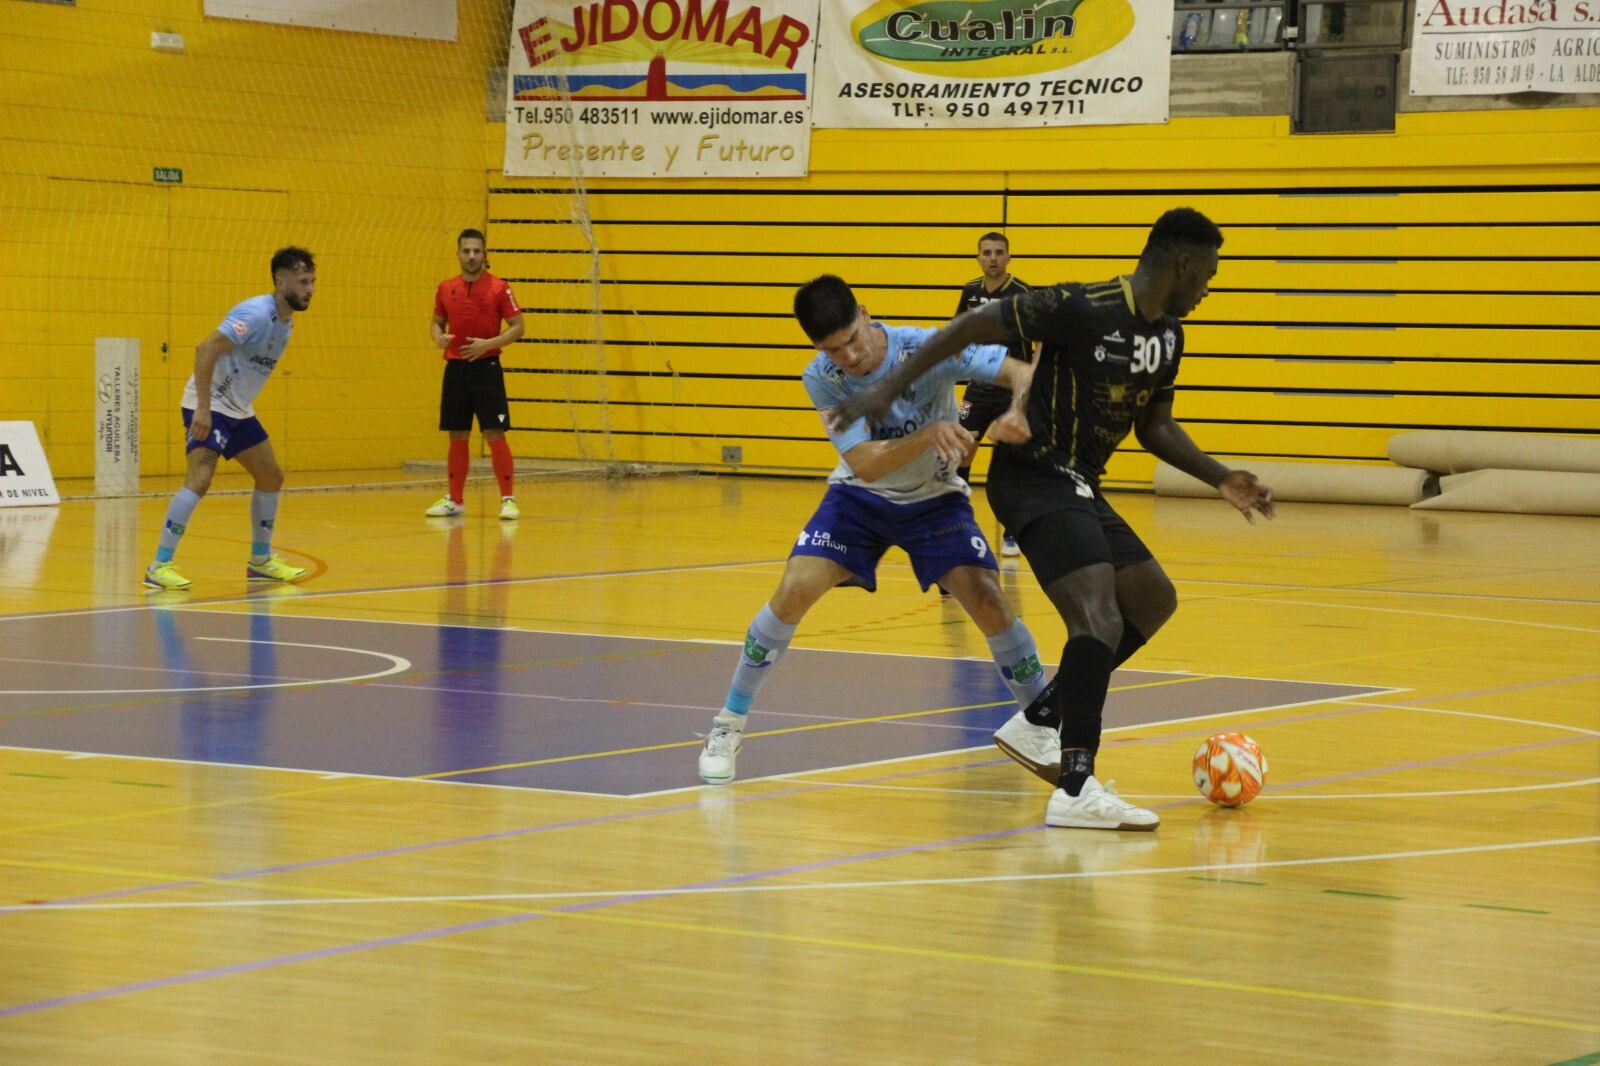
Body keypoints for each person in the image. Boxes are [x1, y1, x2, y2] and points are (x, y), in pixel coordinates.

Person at [824, 209, 1276, 831]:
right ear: (1182, 263)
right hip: (1032, 473)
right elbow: (971, 324)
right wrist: (883, 390)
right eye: (1209, 273)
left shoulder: (1168, 335)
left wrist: (1219, 476)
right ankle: (1075, 786)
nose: (1209, 287)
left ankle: (1041, 718)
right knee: (1098, 611)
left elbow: (1155, 427)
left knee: (1152, 598)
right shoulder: (1083, 306)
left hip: (1078, 481)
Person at [697, 274, 1060, 785]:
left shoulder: (930, 347)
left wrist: (1019, 412)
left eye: (852, 339)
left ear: (866, 315)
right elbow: (866, 464)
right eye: (833, 349)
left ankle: (1045, 729)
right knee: (793, 589)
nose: (849, 357)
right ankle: (728, 724)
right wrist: (931, 432)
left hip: (935, 498)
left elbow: (1023, 373)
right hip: (860, 499)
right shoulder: (822, 378)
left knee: (988, 600)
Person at [143, 247, 317, 591]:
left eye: (312, 281)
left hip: (237, 409)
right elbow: (206, 349)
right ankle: (158, 566)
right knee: (201, 478)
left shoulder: (286, 320)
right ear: (281, 280)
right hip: (208, 404)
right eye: (302, 281)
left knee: (271, 475)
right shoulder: (254, 313)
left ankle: (260, 561)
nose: (310, 288)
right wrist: (204, 409)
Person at [425, 229, 526, 520]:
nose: (472, 256)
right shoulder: (445, 288)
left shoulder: (499, 288)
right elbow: (436, 322)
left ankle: (508, 500)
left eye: (477, 251)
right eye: (466, 251)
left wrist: (488, 345)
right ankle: (455, 500)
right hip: (456, 369)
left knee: (494, 432)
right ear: (458, 254)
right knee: (458, 433)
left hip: (488, 370)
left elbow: (518, 327)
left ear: (484, 254)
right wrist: (438, 337)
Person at [954, 231, 1035, 559]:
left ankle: (1012, 534)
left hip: (1010, 392)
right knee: (960, 450)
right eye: (986, 252)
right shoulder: (971, 292)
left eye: (999, 252)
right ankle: (957, 524)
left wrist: (1026, 390)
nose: (992, 258)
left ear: (1008, 257)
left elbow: (1038, 342)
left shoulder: (1022, 294)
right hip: (977, 387)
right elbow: (957, 334)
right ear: (978, 257)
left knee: (1011, 463)